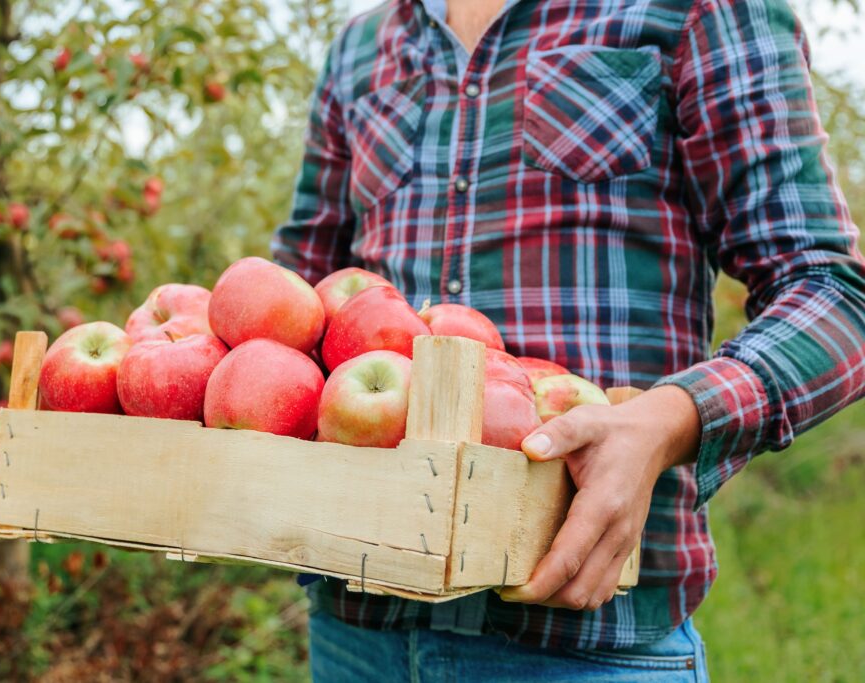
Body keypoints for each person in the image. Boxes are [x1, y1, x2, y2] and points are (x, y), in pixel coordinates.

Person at [272, 0, 865, 679]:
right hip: (356, 629)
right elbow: (297, 303)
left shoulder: (696, 10)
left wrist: (668, 420)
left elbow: (835, 295)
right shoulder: (361, 48)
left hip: (587, 642)